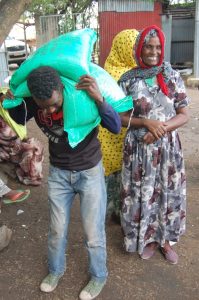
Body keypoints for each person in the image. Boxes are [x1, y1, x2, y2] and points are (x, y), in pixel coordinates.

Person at [6, 66, 121, 300]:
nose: (48, 110)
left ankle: (99, 275)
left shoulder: (80, 95)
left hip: (89, 171)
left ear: (62, 89)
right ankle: (55, 271)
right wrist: (14, 101)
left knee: (93, 233)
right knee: (57, 231)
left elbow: (116, 126)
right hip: (59, 174)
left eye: (54, 104)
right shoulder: (35, 100)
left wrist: (99, 99)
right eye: (43, 105)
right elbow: (19, 118)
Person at [119, 25, 189, 265]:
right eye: (148, 46)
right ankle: (147, 239)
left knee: (167, 193)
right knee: (142, 193)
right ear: (140, 48)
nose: (154, 51)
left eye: (158, 47)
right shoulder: (127, 80)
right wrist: (145, 122)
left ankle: (166, 240)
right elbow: (120, 118)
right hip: (138, 149)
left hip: (167, 148)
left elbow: (184, 114)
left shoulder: (171, 75)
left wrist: (160, 130)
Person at [98, 29, 138, 223]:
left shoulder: (105, 70)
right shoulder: (130, 76)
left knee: (111, 175)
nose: (136, 51)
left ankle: (109, 210)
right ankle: (120, 212)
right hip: (122, 133)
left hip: (107, 135)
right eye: (133, 48)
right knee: (123, 173)